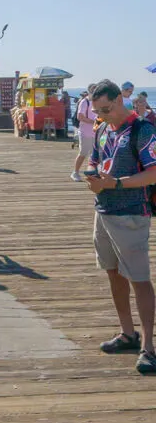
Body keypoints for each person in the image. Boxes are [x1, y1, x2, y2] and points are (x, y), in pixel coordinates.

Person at [85, 79, 156, 375]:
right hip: (104, 211)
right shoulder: (102, 129)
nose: (101, 115)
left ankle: (149, 348)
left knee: (139, 278)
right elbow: (95, 160)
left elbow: (153, 174)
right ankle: (128, 334)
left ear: (119, 100)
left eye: (105, 109)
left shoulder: (142, 129)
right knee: (112, 273)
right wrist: (91, 175)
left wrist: (113, 183)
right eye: (96, 110)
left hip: (131, 213)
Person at [71, 86, 96, 181]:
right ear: (90, 91)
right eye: (94, 91)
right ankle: (75, 172)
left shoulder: (97, 102)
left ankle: (93, 173)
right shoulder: (84, 102)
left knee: (95, 154)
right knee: (83, 153)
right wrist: (93, 122)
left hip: (96, 132)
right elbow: (80, 117)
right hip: (85, 132)